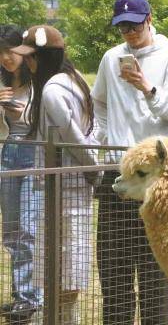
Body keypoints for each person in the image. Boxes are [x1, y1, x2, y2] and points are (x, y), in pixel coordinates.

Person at [92, 0, 168, 325]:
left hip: (154, 179)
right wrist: (106, 135)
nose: (130, 33)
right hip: (117, 172)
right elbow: (98, 102)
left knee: (155, 273)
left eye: (134, 25)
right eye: (123, 27)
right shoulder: (110, 58)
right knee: (113, 268)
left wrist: (147, 87)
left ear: (149, 19)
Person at [11, 24, 99, 324]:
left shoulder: (52, 90)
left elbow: (73, 138)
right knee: (65, 271)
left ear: (45, 57)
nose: (27, 63)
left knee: (63, 271)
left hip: (63, 192)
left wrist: (94, 171)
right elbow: (92, 129)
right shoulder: (73, 81)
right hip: (68, 191)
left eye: (31, 57)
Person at [0, 25, 41, 324]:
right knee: (12, 230)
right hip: (7, 153)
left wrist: (20, 112)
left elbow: (42, 120)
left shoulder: (39, 82)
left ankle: (30, 298)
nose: (5, 58)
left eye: (10, 51)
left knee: (27, 229)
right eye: (0, 53)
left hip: (33, 152)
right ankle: (20, 296)